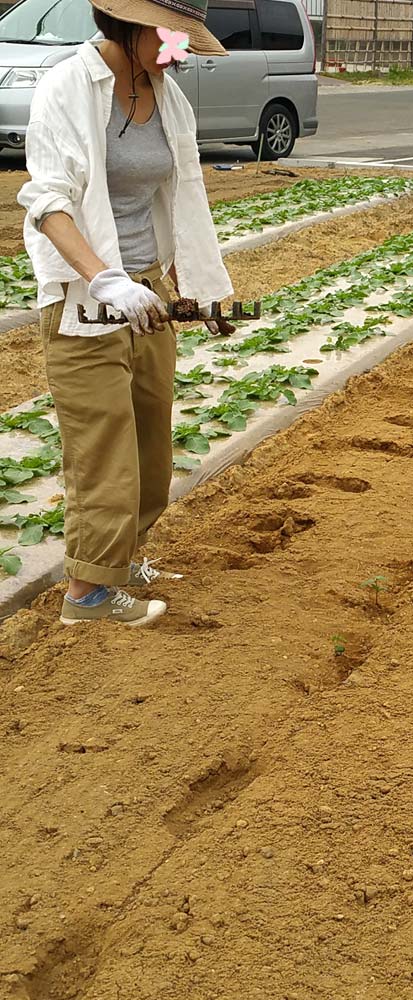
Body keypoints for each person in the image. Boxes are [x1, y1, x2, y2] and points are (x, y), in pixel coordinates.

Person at [17, 0, 233, 626]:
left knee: (149, 448)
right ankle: (86, 594)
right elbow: (48, 200)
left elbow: (181, 196)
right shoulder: (69, 87)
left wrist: (194, 288)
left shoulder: (167, 97)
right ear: (131, 26)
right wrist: (104, 279)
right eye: (171, 38)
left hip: (148, 296)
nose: (179, 53)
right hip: (86, 300)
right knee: (103, 447)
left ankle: (120, 559)